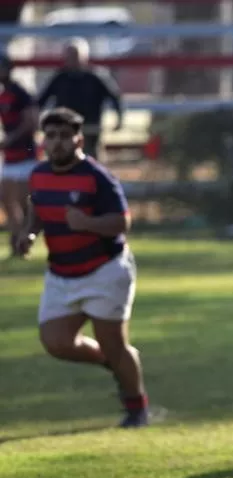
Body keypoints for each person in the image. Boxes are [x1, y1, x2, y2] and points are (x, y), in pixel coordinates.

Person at [15, 108, 148, 428]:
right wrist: (30, 232)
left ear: (78, 139)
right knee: (56, 341)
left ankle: (136, 408)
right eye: (51, 136)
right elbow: (37, 207)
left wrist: (86, 223)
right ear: (43, 140)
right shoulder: (39, 174)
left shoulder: (97, 177)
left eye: (64, 136)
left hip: (105, 271)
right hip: (62, 273)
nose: (57, 142)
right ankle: (114, 362)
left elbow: (122, 222)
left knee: (115, 343)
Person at [37, 38, 124, 160]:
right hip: (64, 130)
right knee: (63, 160)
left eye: (75, 55)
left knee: (90, 161)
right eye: (69, 56)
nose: (71, 59)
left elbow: (115, 97)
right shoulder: (60, 78)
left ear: (84, 56)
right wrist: (37, 119)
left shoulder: (96, 77)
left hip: (90, 128)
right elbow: (42, 100)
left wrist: (119, 118)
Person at [0, 54, 40, 257]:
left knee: (25, 202)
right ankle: (16, 238)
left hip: (25, 155)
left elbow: (32, 121)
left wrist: (11, 138)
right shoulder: (3, 94)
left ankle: (25, 241)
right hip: (10, 156)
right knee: (7, 198)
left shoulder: (20, 92)